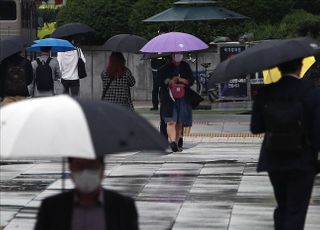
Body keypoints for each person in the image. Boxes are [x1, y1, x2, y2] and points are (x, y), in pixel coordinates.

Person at [250, 58, 320, 230]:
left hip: (274, 157)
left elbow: (256, 127)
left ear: (278, 68)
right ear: (301, 66)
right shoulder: (311, 92)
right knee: (296, 210)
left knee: (283, 206)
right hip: (302, 159)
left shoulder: (266, 92)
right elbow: (317, 131)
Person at [34, 157, 139, 230]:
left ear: (102, 170)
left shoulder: (123, 207)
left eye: (92, 166)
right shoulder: (52, 208)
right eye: (79, 166)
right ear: (71, 169)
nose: (85, 172)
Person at [158, 53, 194, 152]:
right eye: (175, 53)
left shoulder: (185, 66)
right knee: (170, 120)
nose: (178, 55)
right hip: (169, 98)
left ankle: (177, 142)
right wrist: (169, 81)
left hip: (182, 97)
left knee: (179, 121)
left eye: (180, 53)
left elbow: (191, 80)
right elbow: (160, 81)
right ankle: (172, 142)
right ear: (171, 55)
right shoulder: (164, 68)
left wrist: (181, 80)